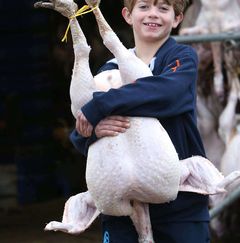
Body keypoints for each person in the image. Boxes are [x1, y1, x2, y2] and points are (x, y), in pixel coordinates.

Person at [69, 0, 210, 242]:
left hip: (179, 207)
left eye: (163, 9)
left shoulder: (181, 58)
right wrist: (93, 132)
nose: (153, 14)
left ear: (177, 19)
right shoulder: (108, 69)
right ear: (127, 15)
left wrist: (102, 105)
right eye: (144, 7)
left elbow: (167, 93)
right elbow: (80, 126)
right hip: (121, 207)